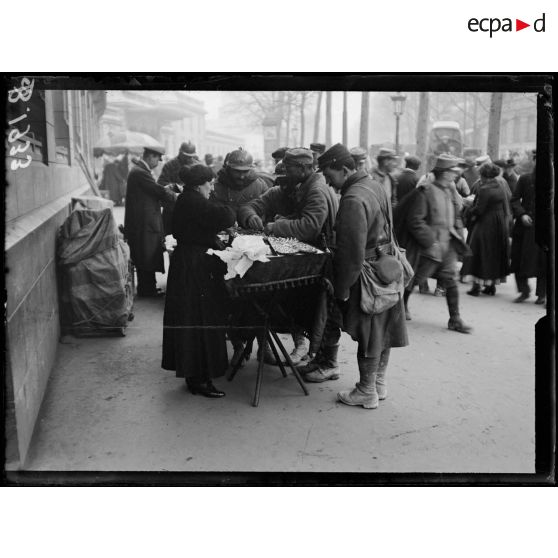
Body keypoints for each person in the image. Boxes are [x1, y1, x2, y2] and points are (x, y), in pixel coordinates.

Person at [318, 143, 408, 409]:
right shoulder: (374, 185)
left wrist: (343, 289)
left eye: (329, 174)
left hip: (366, 272)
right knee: (383, 329)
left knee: (369, 333)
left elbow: (350, 253)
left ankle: (366, 390)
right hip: (386, 266)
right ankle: (378, 383)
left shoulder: (352, 199)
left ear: (344, 170)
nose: (326, 181)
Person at [238, 148, 339, 367]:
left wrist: (274, 226)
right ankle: (287, 347)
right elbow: (249, 206)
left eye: (288, 173)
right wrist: (251, 216)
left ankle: (316, 356)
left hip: (318, 261)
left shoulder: (315, 190)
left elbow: (309, 226)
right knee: (276, 297)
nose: (284, 181)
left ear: (302, 170)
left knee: (317, 310)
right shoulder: (283, 190)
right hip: (299, 260)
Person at [162, 164, 236, 398]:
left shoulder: (187, 199)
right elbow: (225, 216)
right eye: (209, 184)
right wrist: (225, 205)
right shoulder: (193, 201)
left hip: (188, 263)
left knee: (192, 318)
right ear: (198, 184)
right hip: (193, 267)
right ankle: (200, 380)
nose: (211, 187)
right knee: (199, 318)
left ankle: (195, 374)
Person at [394, 154, 472, 333]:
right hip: (429, 248)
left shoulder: (449, 190)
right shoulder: (425, 191)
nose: (456, 174)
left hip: (448, 245)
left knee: (450, 280)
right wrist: (430, 241)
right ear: (444, 172)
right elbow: (415, 220)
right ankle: (400, 309)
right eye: (453, 171)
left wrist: (458, 234)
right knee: (413, 280)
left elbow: (456, 216)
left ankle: (455, 318)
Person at [124, 146, 178, 298]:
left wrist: (168, 188)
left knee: (145, 254)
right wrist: (176, 197)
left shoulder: (140, 171)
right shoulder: (140, 173)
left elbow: (154, 189)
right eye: (157, 159)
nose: (158, 162)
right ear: (150, 156)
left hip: (142, 222)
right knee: (146, 255)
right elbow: (157, 191)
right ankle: (147, 290)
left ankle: (148, 287)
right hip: (143, 223)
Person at [461, 162, 510, 296]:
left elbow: (479, 210)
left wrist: (467, 206)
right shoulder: (500, 185)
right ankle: (490, 286)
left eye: (481, 175)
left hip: (485, 223)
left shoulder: (485, 188)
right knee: (493, 253)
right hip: (498, 223)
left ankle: (476, 287)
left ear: (484, 175)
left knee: (477, 252)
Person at [510, 153, 546, 304]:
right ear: (534, 160)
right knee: (518, 259)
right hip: (524, 228)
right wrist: (522, 214)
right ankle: (524, 291)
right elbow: (514, 200)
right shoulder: (525, 179)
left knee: (543, 263)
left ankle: (542, 294)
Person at [213, 147, 269, 213]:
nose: (241, 176)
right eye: (237, 171)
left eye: (245, 171)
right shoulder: (216, 186)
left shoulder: (260, 185)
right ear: (229, 169)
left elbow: (267, 208)